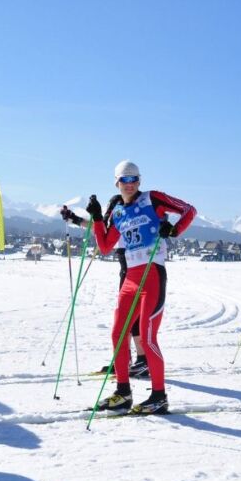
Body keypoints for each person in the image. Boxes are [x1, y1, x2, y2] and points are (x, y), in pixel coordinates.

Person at [88, 160, 196, 414]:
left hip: (152, 274)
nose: (129, 184)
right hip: (131, 278)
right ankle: (123, 393)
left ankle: (159, 396)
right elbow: (105, 246)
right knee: (118, 333)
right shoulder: (118, 212)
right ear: (116, 182)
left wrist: (174, 229)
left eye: (134, 179)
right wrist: (95, 218)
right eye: (124, 180)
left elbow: (189, 210)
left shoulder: (153, 199)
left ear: (139, 181)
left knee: (148, 338)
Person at [60, 195, 149, 378]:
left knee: (132, 317)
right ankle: (124, 360)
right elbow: (102, 230)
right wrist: (75, 219)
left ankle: (143, 361)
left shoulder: (130, 210)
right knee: (124, 317)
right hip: (126, 267)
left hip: (138, 266)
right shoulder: (117, 208)